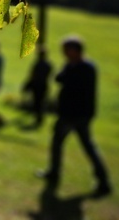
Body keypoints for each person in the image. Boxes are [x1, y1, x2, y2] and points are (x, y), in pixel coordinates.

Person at [37, 36, 112, 197]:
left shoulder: (85, 68)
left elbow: (66, 81)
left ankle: (102, 181)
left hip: (75, 114)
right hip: (71, 113)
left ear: (74, 50)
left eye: (66, 50)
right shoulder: (74, 66)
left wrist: (67, 71)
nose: (64, 53)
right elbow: (59, 78)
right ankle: (55, 172)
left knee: (83, 146)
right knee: (72, 145)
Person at [23, 46, 52, 127]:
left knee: (37, 102)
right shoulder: (48, 64)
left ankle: (37, 118)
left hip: (37, 85)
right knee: (41, 102)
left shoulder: (37, 64)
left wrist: (28, 84)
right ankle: (40, 118)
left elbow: (33, 75)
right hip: (44, 85)